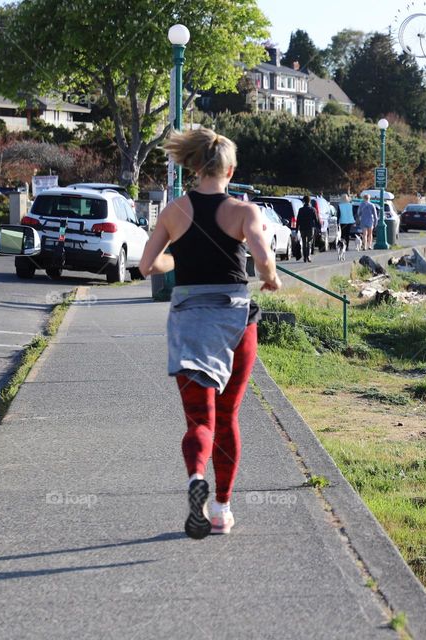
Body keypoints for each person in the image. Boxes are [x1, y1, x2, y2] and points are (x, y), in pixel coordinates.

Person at [138, 127, 281, 539]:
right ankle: (221, 509)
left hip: (189, 319)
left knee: (199, 419)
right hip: (235, 319)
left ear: (195, 166)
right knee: (229, 416)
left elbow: (149, 266)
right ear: (230, 169)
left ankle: (194, 476)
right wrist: (269, 279)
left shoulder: (174, 211)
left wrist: (177, 256)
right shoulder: (243, 211)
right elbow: (261, 255)